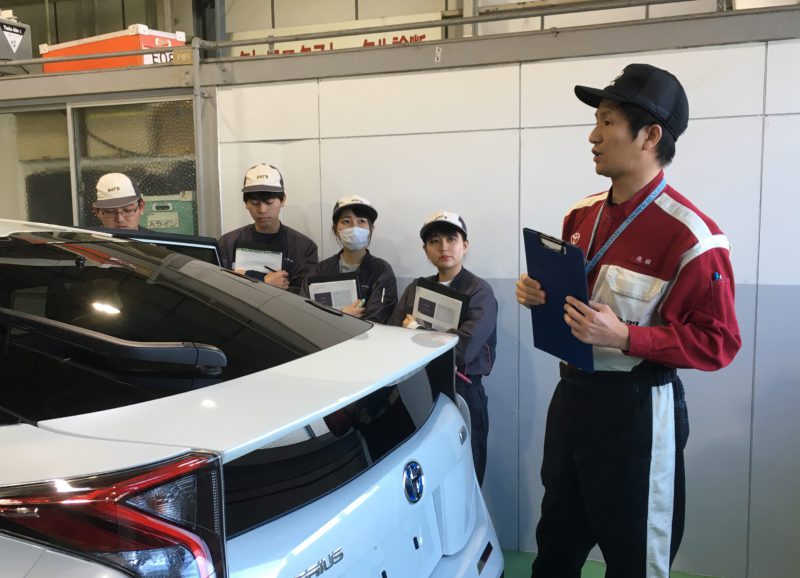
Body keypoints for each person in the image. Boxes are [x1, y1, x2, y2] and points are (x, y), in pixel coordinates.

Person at [515, 63, 742, 577]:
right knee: (555, 546)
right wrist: (539, 296)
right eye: (595, 120)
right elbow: (577, 300)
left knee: (635, 558)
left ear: (651, 136)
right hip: (571, 400)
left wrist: (626, 337)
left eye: (607, 121)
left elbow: (719, 342)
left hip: (638, 415)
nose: (593, 136)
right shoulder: (580, 215)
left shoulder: (693, 237)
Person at [390, 211, 497, 485]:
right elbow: (391, 338)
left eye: (451, 239)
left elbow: (463, 349)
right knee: (427, 478)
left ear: (465, 245)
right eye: (434, 241)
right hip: (418, 389)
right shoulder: (416, 289)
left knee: (466, 477)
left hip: (463, 391)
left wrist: (417, 331)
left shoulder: (479, 291)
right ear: (425, 250)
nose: (444, 247)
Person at [218, 163, 318, 293]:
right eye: (254, 203)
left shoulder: (304, 248)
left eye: (269, 202)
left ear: (283, 200)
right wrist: (262, 281)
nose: (262, 210)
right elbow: (217, 286)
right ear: (246, 204)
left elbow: (306, 295)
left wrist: (244, 276)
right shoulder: (228, 243)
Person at [301, 194, 397, 323]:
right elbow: (305, 314)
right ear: (335, 229)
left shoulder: (382, 271)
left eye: (361, 221)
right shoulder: (320, 271)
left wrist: (336, 318)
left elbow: (377, 319)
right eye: (346, 221)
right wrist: (342, 316)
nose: (354, 228)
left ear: (371, 228)